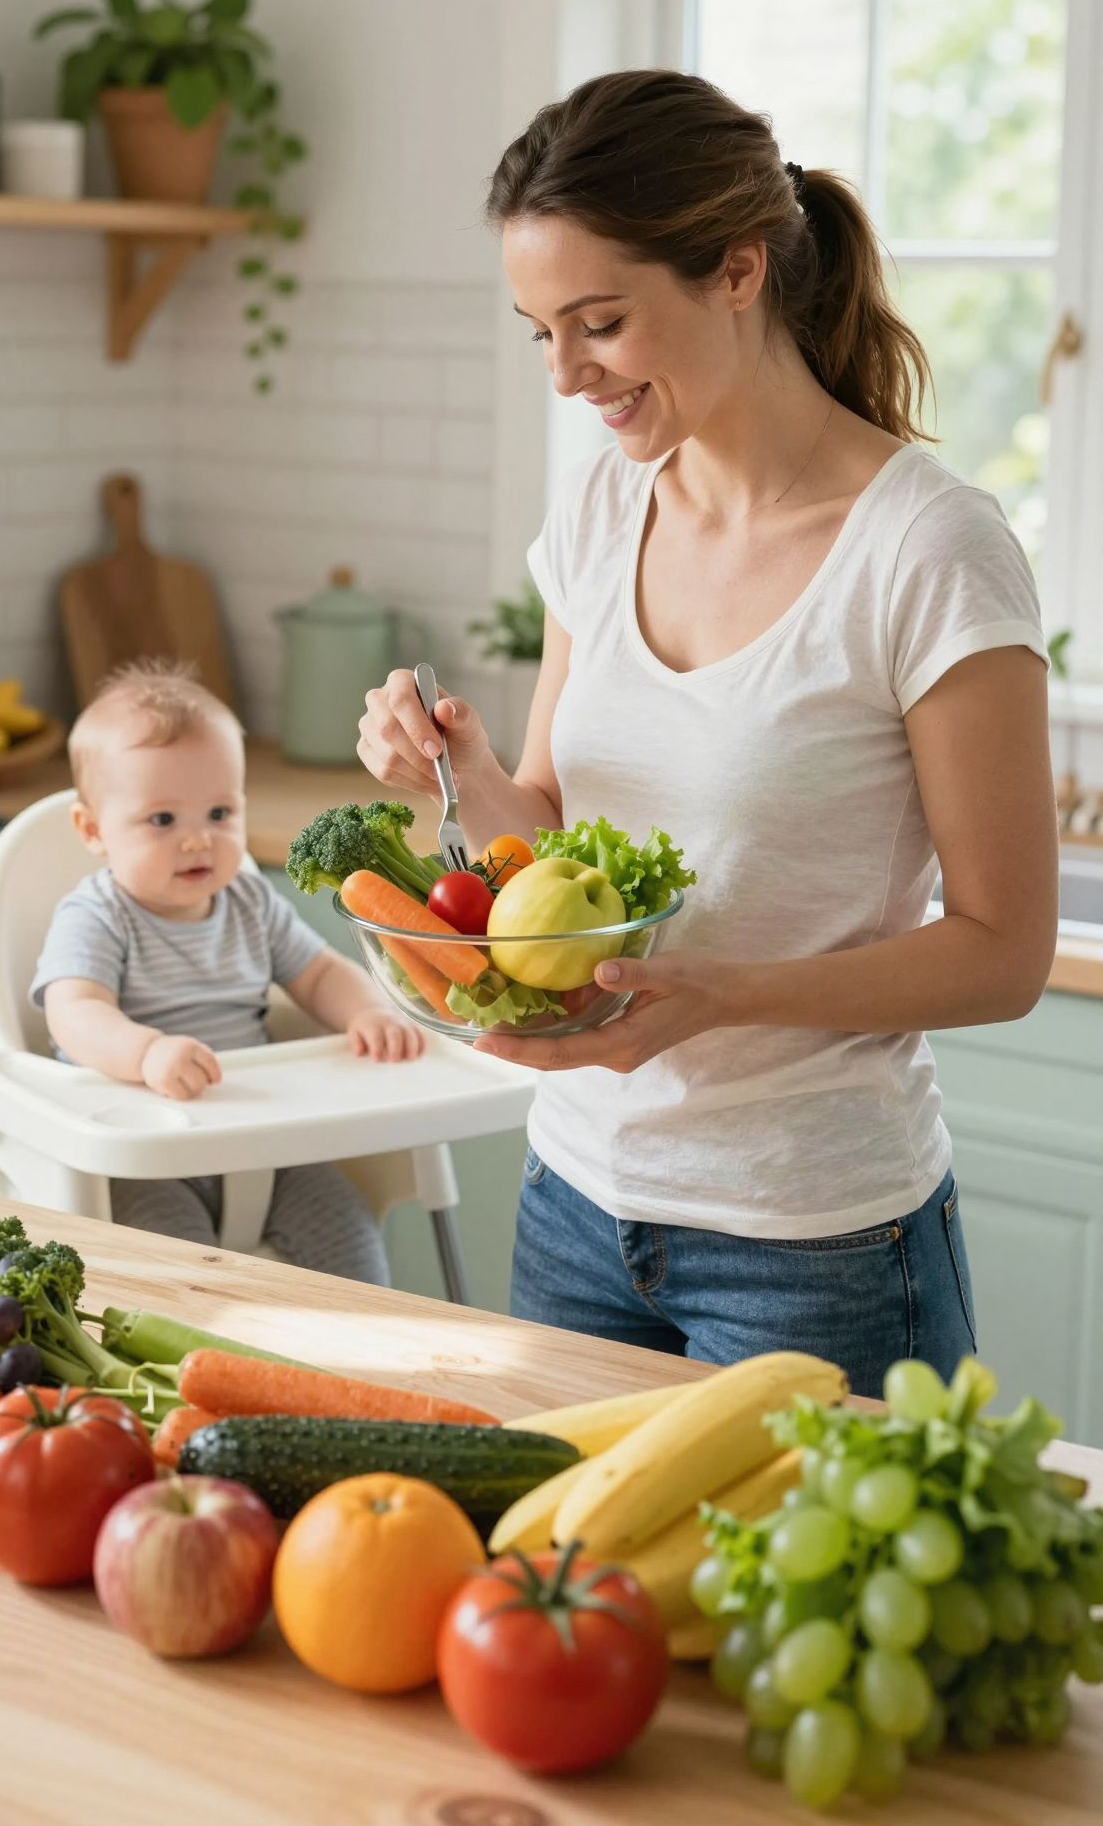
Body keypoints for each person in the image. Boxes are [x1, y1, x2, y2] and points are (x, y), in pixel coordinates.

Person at [357, 69, 1059, 1394]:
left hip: (817, 1239)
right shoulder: (602, 516)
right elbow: (558, 844)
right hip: (573, 1200)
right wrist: (465, 771)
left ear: (737, 272)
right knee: (570, 1596)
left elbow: (1002, 952)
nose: (567, 375)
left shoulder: (929, 551)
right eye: (539, 333)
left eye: (600, 323)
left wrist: (721, 999)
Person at [33, 662, 421, 1283]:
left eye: (218, 814)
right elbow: (73, 1011)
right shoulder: (98, 915)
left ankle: (352, 1360)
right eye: (163, 821)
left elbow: (317, 972)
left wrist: (369, 1011)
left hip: (260, 1135)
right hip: (150, 1148)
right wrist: (147, 1054)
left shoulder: (249, 899)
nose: (198, 842)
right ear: (93, 830)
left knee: (347, 1227)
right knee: (176, 1273)